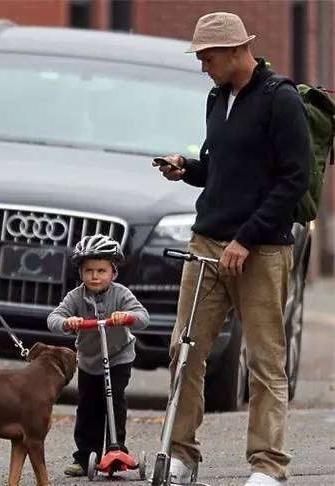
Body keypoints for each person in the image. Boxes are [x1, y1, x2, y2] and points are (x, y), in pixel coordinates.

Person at [152, 12, 310, 486]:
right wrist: (190, 169)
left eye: (207, 57)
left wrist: (247, 237)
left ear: (235, 51)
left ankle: (268, 465)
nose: (202, 66)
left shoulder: (279, 100)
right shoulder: (217, 97)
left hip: (260, 249)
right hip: (207, 242)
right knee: (185, 351)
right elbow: (224, 169)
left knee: (264, 361)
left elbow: (292, 180)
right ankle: (181, 455)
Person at [47, 234, 150, 477]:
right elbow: (53, 318)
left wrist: (127, 317)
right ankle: (84, 457)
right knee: (88, 409)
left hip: (118, 357)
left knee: (114, 403)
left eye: (101, 271)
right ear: (81, 273)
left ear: (113, 272)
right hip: (90, 361)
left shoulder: (121, 294)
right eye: (89, 270)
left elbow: (143, 317)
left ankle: (116, 450)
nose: (95, 276)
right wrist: (67, 322)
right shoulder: (75, 297)